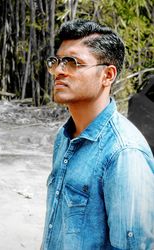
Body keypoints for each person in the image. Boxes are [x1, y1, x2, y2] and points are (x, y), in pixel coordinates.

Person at [41, 19, 154, 250]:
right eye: (57, 61)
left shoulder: (123, 153)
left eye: (73, 62)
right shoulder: (64, 137)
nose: (59, 71)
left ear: (108, 75)